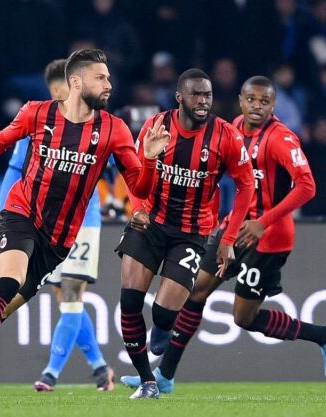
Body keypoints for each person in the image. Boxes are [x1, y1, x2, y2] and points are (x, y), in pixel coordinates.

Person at [0, 49, 170, 395]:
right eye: (101, 77)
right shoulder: (37, 113)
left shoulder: (114, 129)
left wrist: (151, 160)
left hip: (59, 239)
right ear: (76, 81)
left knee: (1, 308)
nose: (109, 84)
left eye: (109, 78)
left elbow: (138, 185)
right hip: (21, 213)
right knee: (7, 282)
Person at [121, 76, 326, 393]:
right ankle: (165, 376)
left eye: (264, 101)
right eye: (251, 100)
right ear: (240, 101)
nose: (257, 107)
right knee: (196, 292)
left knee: (244, 317)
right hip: (232, 228)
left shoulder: (281, 139)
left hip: (268, 238)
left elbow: (307, 186)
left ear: (274, 105)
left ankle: (324, 334)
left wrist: (263, 222)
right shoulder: (233, 128)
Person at [115, 68, 255, 399]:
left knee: (163, 313)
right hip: (150, 222)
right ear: (180, 97)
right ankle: (148, 380)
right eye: (196, 94)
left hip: (191, 232)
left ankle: (163, 328)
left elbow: (246, 186)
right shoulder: (156, 126)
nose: (203, 101)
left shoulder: (226, 136)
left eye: (207, 95)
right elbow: (136, 170)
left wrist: (228, 238)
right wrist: (137, 209)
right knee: (131, 302)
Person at [0, 59, 114, 392]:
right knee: (66, 297)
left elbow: (115, 163)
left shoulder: (98, 121)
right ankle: (101, 369)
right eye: (55, 92)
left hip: (83, 220)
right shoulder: (40, 119)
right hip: (44, 221)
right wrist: (0, 210)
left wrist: (119, 199)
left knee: (71, 294)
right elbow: (15, 168)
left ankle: (51, 373)